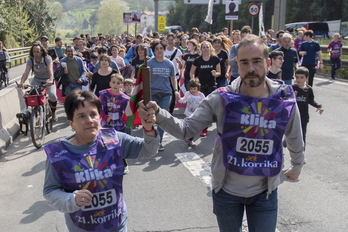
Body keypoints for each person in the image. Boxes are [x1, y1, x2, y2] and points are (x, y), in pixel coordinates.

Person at [139, 34, 305, 232]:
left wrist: (297, 164)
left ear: (268, 63)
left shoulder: (283, 98)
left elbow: (294, 134)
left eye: (257, 61)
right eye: (244, 62)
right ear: (236, 65)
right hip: (226, 193)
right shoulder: (221, 98)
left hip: (265, 194)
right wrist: (159, 113)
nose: (251, 68)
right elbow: (187, 129)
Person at [43, 89, 160, 232]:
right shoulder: (58, 154)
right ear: (71, 123)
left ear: (100, 117)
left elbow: (147, 150)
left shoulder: (114, 139)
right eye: (81, 116)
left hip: (116, 224)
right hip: (81, 227)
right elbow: (50, 191)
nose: (89, 120)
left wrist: (148, 128)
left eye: (93, 114)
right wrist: (71, 199)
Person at [148, 39, 180, 151]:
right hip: (153, 94)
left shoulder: (169, 63)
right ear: (153, 51)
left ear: (164, 50)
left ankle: (159, 142)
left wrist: (175, 90)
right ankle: (151, 140)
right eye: (156, 49)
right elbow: (145, 79)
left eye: (161, 48)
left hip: (166, 93)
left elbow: (173, 78)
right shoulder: (149, 63)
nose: (159, 51)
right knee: (152, 118)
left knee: (162, 117)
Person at [99, 73, 131, 175]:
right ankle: (108, 164)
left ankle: (124, 163)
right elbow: (97, 107)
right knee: (107, 144)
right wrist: (104, 117)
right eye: (113, 82)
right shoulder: (103, 94)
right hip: (106, 124)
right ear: (110, 83)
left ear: (121, 85)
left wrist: (126, 121)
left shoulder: (125, 98)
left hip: (119, 125)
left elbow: (127, 112)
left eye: (118, 83)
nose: (115, 85)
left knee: (119, 144)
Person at [19, 43, 58, 121]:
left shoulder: (47, 58)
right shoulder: (31, 60)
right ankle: (36, 112)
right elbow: (26, 72)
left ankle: (53, 112)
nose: (36, 54)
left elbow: (50, 70)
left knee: (52, 95)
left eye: (38, 51)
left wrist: (51, 80)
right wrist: (22, 82)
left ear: (42, 51)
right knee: (32, 95)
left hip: (47, 79)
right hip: (37, 79)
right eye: (34, 52)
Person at [292, 67, 324, 146]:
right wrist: (293, 96)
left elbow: (311, 100)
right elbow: (286, 101)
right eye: (297, 77)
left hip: (304, 116)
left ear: (307, 78)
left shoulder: (309, 90)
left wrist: (319, 106)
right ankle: (288, 141)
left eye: (301, 77)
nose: (299, 79)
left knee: (302, 135)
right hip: (293, 116)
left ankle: (301, 153)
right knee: (292, 134)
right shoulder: (293, 88)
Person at [178, 78, 205, 147]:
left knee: (195, 128)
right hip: (188, 114)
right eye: (191, 89)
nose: (192, 90)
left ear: (198, 88)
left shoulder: (201, 95)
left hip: (197, 114)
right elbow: (183, 100)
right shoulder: (188, 94)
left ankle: (190, 139)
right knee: (189, 127)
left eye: (194, 89)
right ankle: (189, 138)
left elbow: (204, 104)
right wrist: (178, 98)